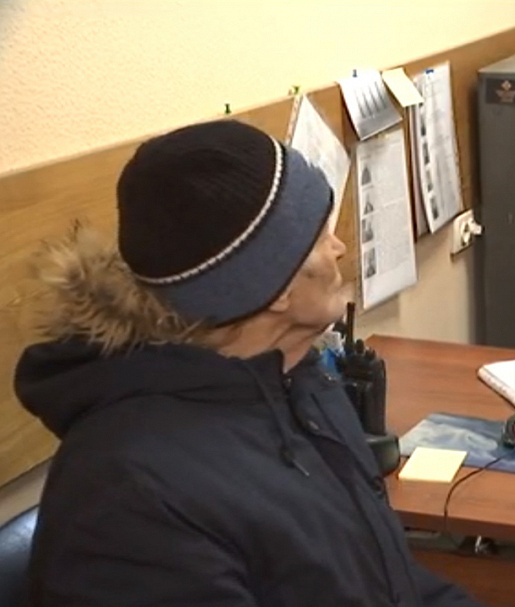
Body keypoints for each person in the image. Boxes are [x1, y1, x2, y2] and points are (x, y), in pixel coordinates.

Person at [14, 120, 487, 606]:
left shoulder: (299, 382)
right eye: (319, 236)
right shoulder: (130, 497)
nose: (339, 248)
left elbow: (391, 583)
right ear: (274, 284)